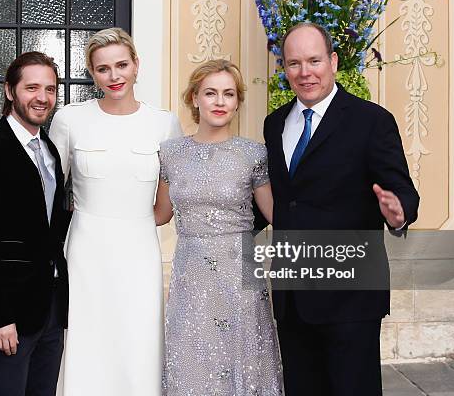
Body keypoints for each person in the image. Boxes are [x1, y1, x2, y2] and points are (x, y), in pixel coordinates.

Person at [263, 22, 420, 395]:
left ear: (333, 61)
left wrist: (397, 212)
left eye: (315, 60)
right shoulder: (274, 124)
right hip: (292, 296)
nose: (305, 72)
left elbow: (402, 191)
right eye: (294, 63)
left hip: (351, 295)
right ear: (284, 68)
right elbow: (281, 200)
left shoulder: (372, 121)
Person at [49, 27, 182, 395]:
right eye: (103, 69)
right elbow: (47, 187)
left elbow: (164, 208)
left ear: (137, 65)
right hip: (85, 251)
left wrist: (133, 219)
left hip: (139, 249)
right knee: (86, 339)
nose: (114, 76)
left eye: (122, 65)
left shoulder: (164, 122)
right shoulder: (70, 119)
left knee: (139, 339)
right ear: (92, 74)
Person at [156, 59, 283, 395]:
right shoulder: (170, 153)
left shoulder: (254, 154)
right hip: (190, 275)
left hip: (240, 274)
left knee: (243, 358)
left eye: (228, 94)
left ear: (238, 101)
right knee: (193, 360)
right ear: (194, 98)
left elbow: (276, 215)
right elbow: (159, 214)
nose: (220, 101)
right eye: (210, 93)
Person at [0, 51, 69, 396]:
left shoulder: (48, 150)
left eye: (50, 89)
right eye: (32, 87)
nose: (42, 98)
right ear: (9, 90)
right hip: (10, 313)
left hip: (50, 307)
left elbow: (46, 224)